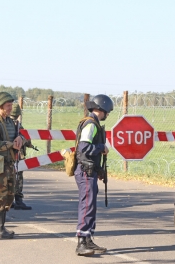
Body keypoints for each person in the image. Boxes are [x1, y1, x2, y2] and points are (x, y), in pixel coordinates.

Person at [74, 94, 114, 256]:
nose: (108, 115)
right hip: (85, 170)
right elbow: (83, 148)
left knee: (91, 204)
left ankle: (88, 237)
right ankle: (82, 241)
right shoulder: (91, 125)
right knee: (87, 205)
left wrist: (98, 169)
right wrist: (101, 148)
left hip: (89, 169)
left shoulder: (93, 123)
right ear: (101, 108)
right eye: (107, 111)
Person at [0, 92, 25, 239]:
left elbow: (18, 135)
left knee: (9, 194)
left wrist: (21, 139)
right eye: (8, 105)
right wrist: (10, 145)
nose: (10, 108)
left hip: (9, 163)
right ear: (0, 106)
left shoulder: (10, 122)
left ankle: (2, 226)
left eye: (10, 105)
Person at [10, 103, 33, 210]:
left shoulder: (6, 124)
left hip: (8, 155)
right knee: (18, 177)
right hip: (18, 155)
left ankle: (9, 201)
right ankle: (18, 200)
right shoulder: (18, 125)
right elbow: (26, 139)